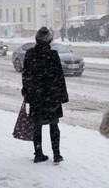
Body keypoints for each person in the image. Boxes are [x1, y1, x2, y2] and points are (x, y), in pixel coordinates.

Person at [21, 26, 69, 164]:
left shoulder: (30, 54)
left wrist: (27, 92)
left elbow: (26, 76)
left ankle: (38, 153)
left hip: (36, 97)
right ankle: (57, 154)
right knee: (54, 125)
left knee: (37, 126)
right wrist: (62, 95)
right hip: (52, 96)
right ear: (49, 41)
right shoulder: (52, 55)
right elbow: (59, 76)